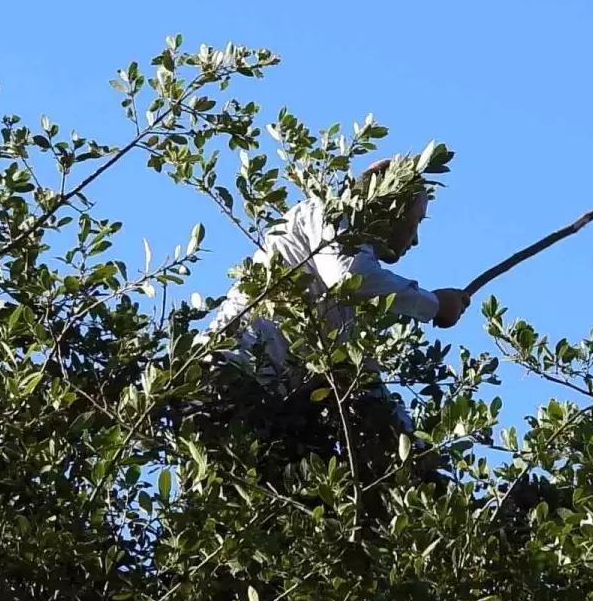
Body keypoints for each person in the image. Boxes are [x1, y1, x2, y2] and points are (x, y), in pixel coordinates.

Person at [197, 158, 469, 438]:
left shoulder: (350, 300)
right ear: (391, 208)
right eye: (416, 222)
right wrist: (434, 305)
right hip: (226, 374)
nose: (415, 240)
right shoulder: (327, 214)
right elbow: (349, 278)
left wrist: (414, 444)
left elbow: (361, 376)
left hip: (262, 408)